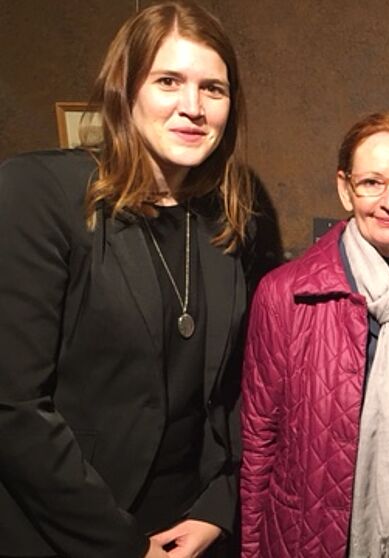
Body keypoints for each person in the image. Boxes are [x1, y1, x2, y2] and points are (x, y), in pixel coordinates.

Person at [0, 3, 254, 557]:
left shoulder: (223, 219)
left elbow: (232, 388)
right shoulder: (39, 192)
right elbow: (13, 405)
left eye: (213, 89)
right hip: (69, 532)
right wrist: (122, 546)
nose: (193, 107)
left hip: (190, 528)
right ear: (126, 89)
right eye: (169, 81)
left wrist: (218, 505)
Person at [240, 110, 389, 557]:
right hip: (309, 541)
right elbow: (259, 444)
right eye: (371, 183)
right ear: (345, 190)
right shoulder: (284, 295)